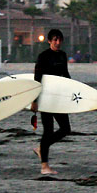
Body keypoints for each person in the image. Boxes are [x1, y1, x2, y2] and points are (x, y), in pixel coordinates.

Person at [31, 29, 71, 175]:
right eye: (55, 40)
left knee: (66, 129)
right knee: (47, 131)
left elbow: (65, 75)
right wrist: (35, 101)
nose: (58, 42)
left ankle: (41, 148)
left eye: (60, 40)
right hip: (46, 97)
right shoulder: (43, 56)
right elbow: (37, 78)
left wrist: (73, 91)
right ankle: (44, 166)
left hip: (59, 97)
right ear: (49, 41)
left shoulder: (62, 55)